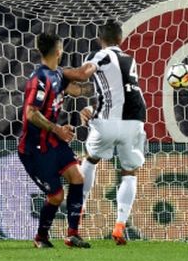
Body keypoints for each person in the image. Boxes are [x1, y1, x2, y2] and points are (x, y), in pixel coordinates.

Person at [63, 21, 147, 245]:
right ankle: (119, 226)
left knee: (90, 160)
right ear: (121, 39)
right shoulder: (130, 60)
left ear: (101, 40)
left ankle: (77, 214)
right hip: (135, 121)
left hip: (108, 122)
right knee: (130, 172)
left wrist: (58, 74)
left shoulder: (101, 55)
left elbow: (84, 75)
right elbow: (109, 88)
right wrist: (91, 106)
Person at [18, 32, 90, 249]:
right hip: (35, 149)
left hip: (53, 142)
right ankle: (41, 237)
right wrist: (57, 129)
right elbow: (30, 113)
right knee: (56, 196)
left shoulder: (57, 74)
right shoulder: (39, 79)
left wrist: (107, 84)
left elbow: (78, 89)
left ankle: (73, 234)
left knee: (77, 177)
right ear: (59, 51)